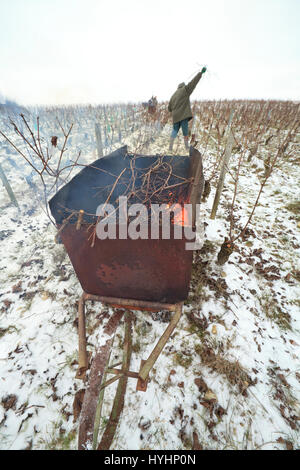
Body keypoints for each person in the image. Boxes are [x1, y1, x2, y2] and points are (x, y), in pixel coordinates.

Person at [168, 67, 206, 151]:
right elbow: (193, 83)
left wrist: (175, 109)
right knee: (185, 132)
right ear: (183, 86)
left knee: (175, 130)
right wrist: (200, 73)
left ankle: (170, 147)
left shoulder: (173, 95)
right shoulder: (185, 90)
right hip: (183, 116)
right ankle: (186, 147)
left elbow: (169, 108)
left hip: (175, 117)